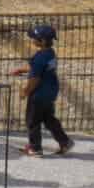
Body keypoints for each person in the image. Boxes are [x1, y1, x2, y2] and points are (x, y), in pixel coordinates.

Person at [21, 22, 73, 158]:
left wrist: (25, 91)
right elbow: (37, 67)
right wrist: (21, 70)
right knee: (49, 119)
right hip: (50, 93)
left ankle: (35, 148)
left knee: (32, 121)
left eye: (34, 37)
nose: (32, 39)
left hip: (38, 94)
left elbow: (35, 79)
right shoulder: (50, 53)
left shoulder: (39, 57)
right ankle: (64, 141)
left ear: (42, 41)